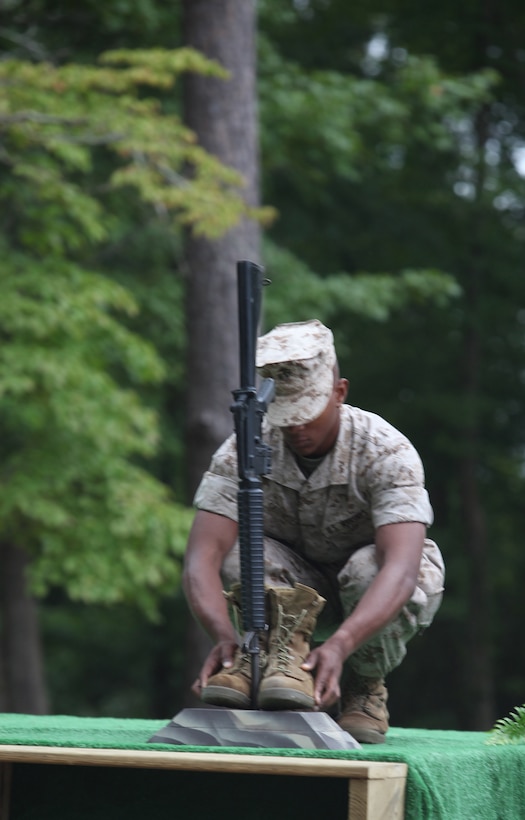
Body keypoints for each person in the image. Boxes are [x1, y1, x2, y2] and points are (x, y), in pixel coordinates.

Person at [183, 319, 445, 744]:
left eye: (308, 411)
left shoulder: (386, 450)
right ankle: (272, 664)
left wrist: (342, 645)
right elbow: (202, 558)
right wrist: (223, 635)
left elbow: (400, 568)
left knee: (367, 567)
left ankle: (365, 687)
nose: (296, 428)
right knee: (240, 551)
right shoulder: (242, 450)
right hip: (292, 585)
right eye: (285, 416)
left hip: (373, 589)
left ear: (339, 392)